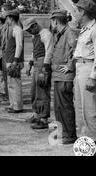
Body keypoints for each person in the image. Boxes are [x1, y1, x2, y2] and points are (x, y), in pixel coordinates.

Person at [49, 9, 78, 144]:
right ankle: (61, 133)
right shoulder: (59, 34)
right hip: (58, 76)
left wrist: (70, 66)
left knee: (65, 107)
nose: (51, 23)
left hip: (65, 78)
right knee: (59, 107)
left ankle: (70, 134)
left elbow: (76, 52)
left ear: (55, 20)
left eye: (52, 21)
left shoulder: (69, 33)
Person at [23, 17, 53, 129]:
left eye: (30, 29)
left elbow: (49, 51)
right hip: (36, 62)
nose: (28, 32)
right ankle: (36, 114)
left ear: (35, 25)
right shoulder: (35, 35)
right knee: (34, 91)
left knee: (42, 91)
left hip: (43, 63)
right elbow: (34, 50)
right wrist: (30, 64)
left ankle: (44, 118)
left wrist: (45, 67)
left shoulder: (45, 34)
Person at [73, 0, 96, 142]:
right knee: (79, 107)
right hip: (80, 67)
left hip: (88, 68)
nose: (75, 14)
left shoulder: (94, 29)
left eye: (77, 11)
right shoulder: (84, 29)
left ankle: (93, 140)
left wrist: (93, 77)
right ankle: (83, 140)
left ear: (83, 12)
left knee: (89, 110)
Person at [4, 9, 24, 113]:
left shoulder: (17, 29)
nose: (6, 20)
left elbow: (19, 45)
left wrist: (16, 60)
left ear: (11, 18)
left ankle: (17, 106)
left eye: (7, 18)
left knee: (15, 84)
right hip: (10, 59)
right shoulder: (12, 28)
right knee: (11, 84)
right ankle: (13, 104)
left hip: (14, 60)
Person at [0, 12, 8, 100]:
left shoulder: (4, 29)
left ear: (0, 21)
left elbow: (3, 43)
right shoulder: (1, 29)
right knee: (0, 73)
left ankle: (5, 93)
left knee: (3, 74)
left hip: (3, 54)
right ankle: (3, 91)